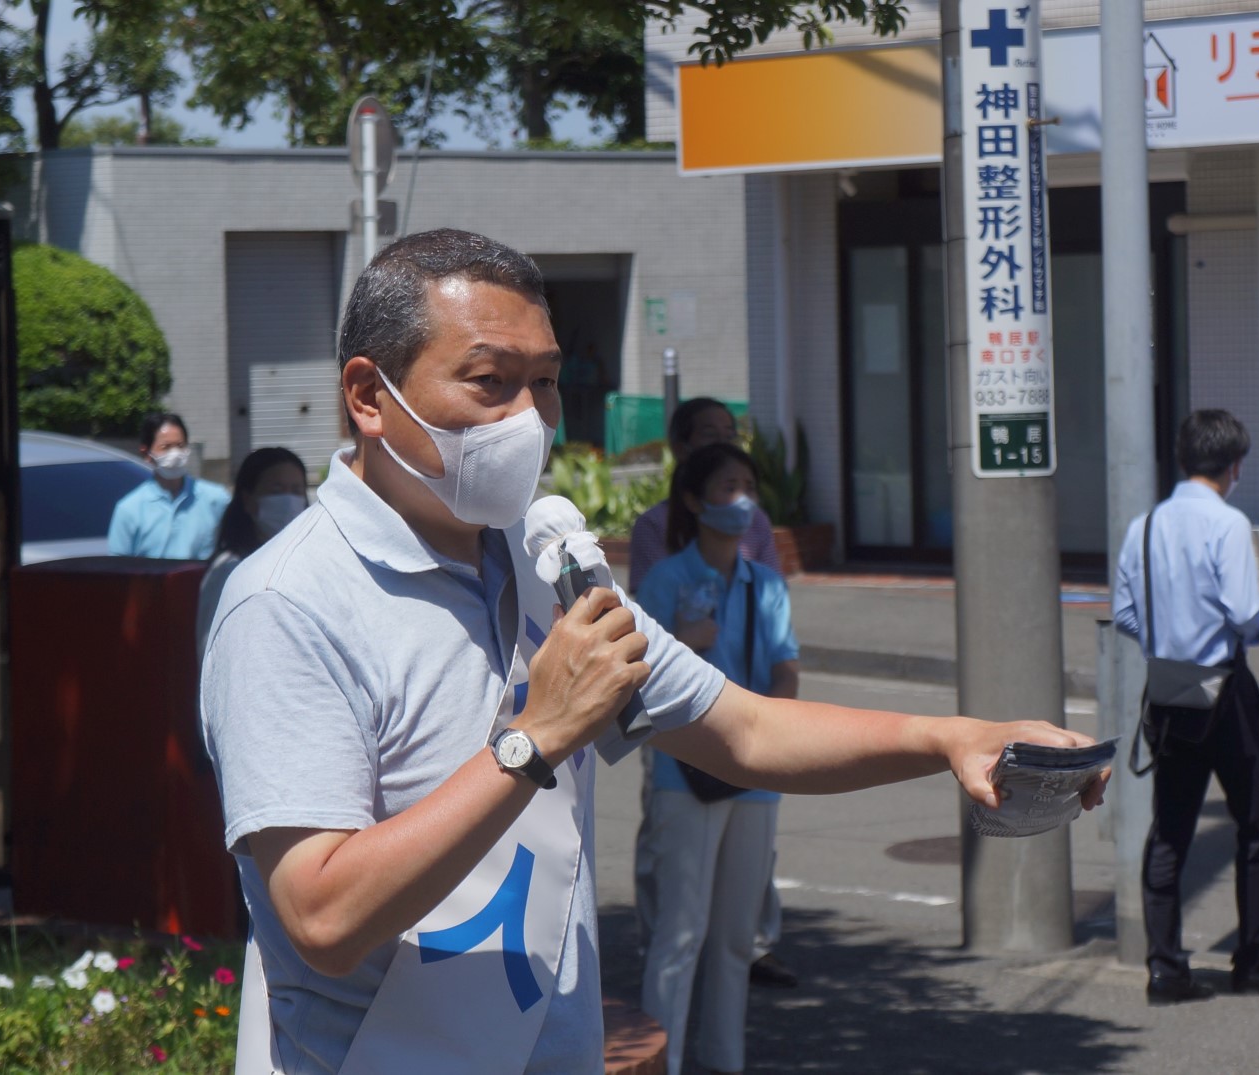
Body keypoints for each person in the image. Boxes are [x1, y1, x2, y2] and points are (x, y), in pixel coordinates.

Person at [199, 228, 1103, 1075]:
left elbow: (743, 730)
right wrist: (533, 739)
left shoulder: (541, 562)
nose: (529, 417)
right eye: (489, 381)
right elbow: (319, 915)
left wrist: (950, 738)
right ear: (368, 396)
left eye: (546, 382)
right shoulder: (285, 603)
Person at [1111, 409, 1259, 1004]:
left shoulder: (1143, 526)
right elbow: (1241, 611)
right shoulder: (1227, 524)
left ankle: (1165, 969)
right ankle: (1251, 960)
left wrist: (1166, 635)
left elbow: (1125, 612)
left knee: (1171, 828)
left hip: (1171, 686)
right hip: (1223, 686)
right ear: (1233, 466)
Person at [635, 442, 798, 1075]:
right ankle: (662, 1063)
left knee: (734, 941)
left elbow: (787, 669)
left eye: (747, 487)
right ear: (695, 502)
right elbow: (636, 676)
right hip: (687, 775)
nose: (744, 501)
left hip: (756, 778)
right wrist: (683, 642)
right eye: (729, 487)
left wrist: (774, 733)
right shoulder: (665, 581)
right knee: (679, 935)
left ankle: (724, 1062)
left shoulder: (767, 583)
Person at [627, 399, 780, 594]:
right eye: (710, 435)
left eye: (729, 436)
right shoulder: (654, 525)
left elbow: (772, 594)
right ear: (679, 448)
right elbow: (650, 605)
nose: (722, 445)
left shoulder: (756, 519)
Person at [196, 447, 308, 658]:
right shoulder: (228, 570)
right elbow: (212, 652)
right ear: (248, 500)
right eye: (276, 490)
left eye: (296, 490)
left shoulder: (305, 563)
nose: (288, 501)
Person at [107, 412, 231, 559]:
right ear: (146, 453)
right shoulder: (129, 509)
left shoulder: (216, 499)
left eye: (180, 445)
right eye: (165, 447)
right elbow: (119, 568)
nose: (175, 453)